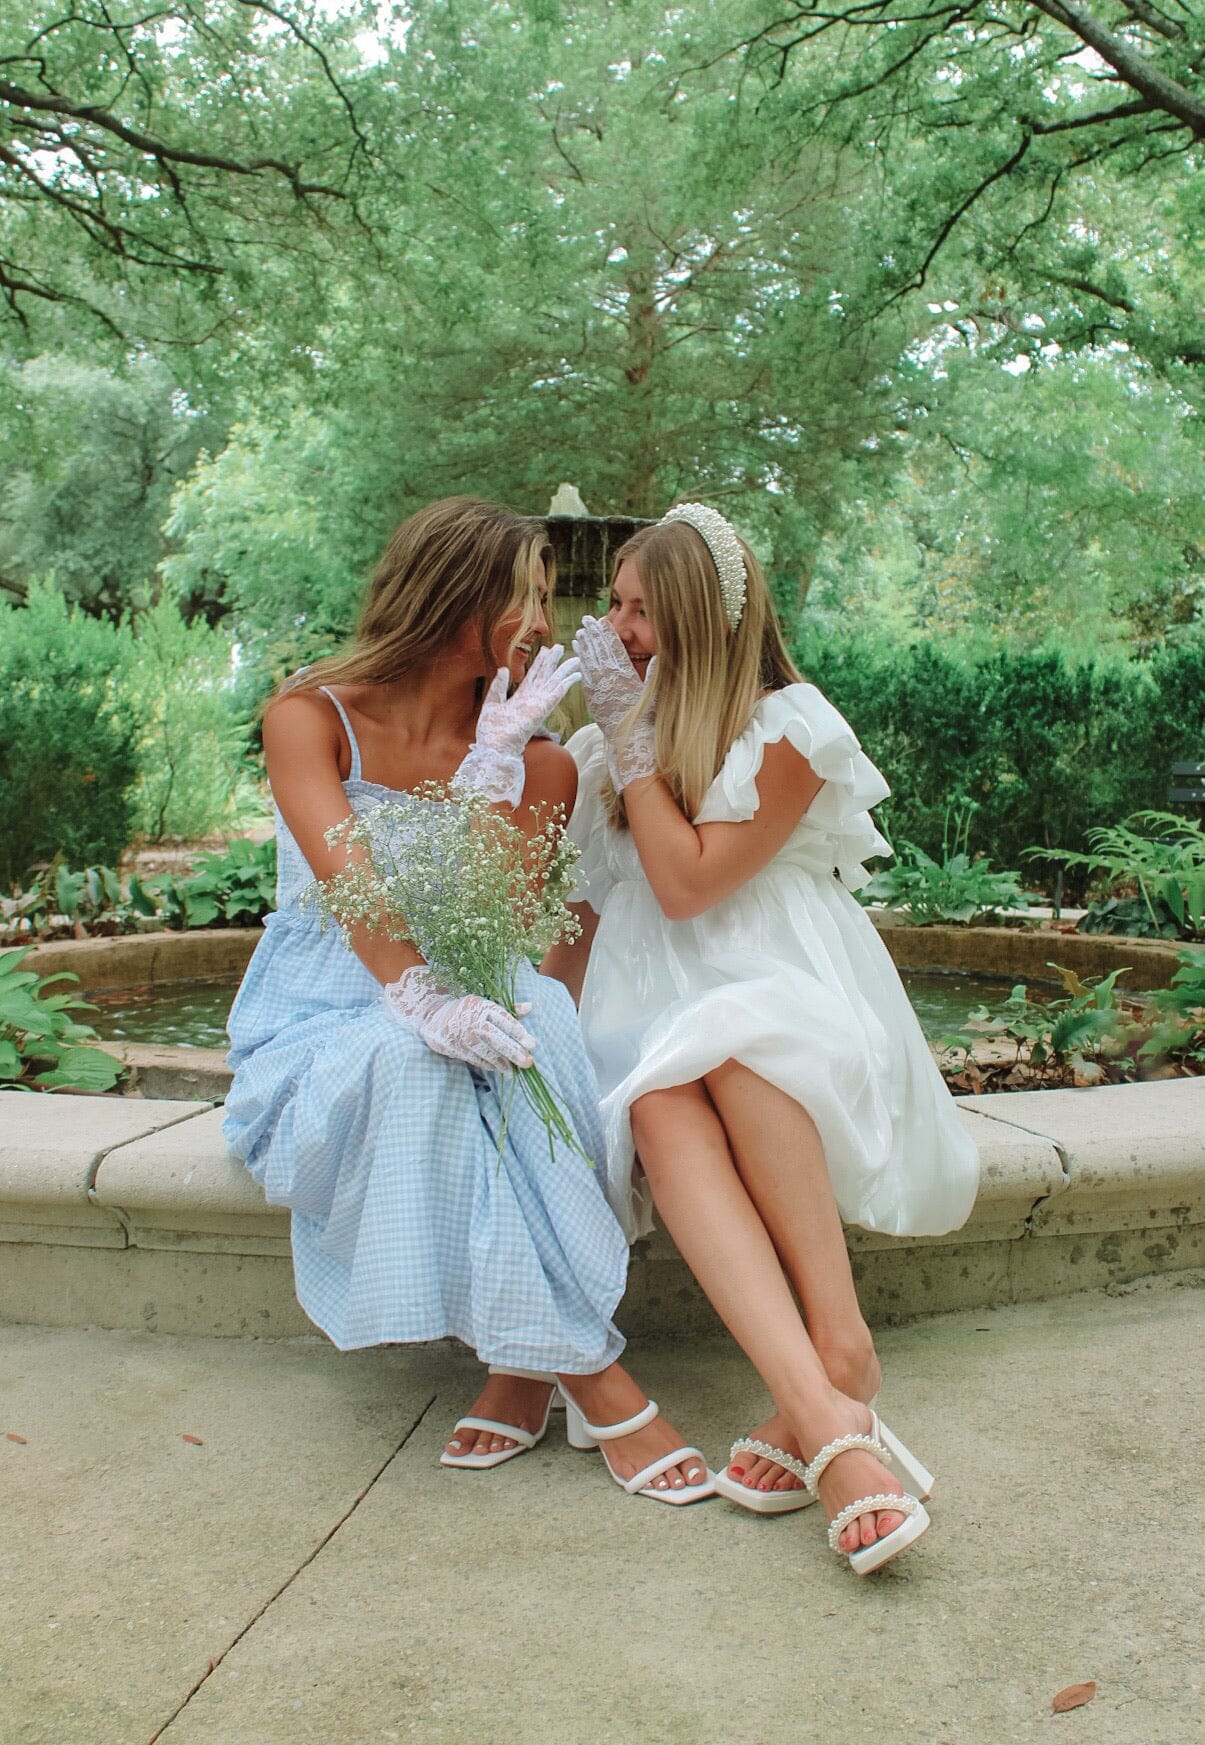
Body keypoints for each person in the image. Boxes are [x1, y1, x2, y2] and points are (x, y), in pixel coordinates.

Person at [222, 496, 712, 1505]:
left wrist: (495, 767)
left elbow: (485, 933)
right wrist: (417, 995)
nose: (541, 621)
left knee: (537, 1020)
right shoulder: (307, 718)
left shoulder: (535, 760)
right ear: (457, 592)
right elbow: (349, 886)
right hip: (329, 997)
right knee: (423, 1055)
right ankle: (594, 1375)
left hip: (470, 973)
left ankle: (524, 1364)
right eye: (527, 595)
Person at [544, 502, 979, 1571]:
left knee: (734, 1040)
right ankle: (831, 1395)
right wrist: (537, 1026)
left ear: (697, 615)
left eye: (641, 609)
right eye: (613, 605)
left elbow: (691, 885)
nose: (617, 629)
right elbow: (593, 909)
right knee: (653, 1091)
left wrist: (635, 750)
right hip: (649, 989)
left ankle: (832, 1354)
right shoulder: (604, 744)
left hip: (777, 969)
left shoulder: (787, 724)